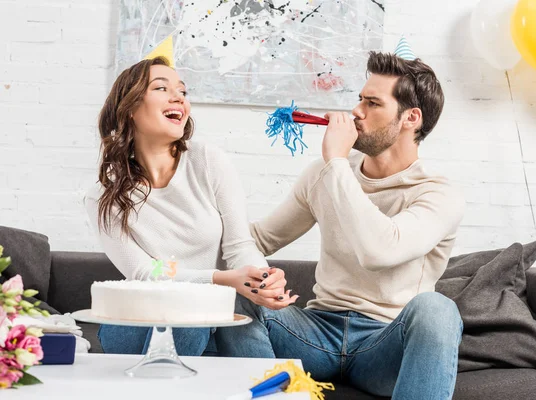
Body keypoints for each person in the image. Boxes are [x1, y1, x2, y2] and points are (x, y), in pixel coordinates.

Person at [216, 51, 465, 399]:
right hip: (316, 332)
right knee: (238, 298)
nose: (357, 112)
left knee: (438, 309)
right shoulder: (325, 174)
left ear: (411, 118)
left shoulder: (438, 194)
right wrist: (171, 259)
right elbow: (257, 239)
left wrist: (335, 161)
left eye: (373, 104)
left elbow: (381, 250)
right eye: (360, 100)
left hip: (385, 344)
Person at [84, 56, 297, 356]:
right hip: (137, 321)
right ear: (130, 107)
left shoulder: (208, 161)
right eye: (161, 88)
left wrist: (262, 280)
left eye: (182, 92)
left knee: (201, 308)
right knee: (190, 305)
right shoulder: (103, 196)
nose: (178, 98)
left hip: (208, 313)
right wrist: (218, 279)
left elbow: (239, 247)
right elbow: (145, 272)